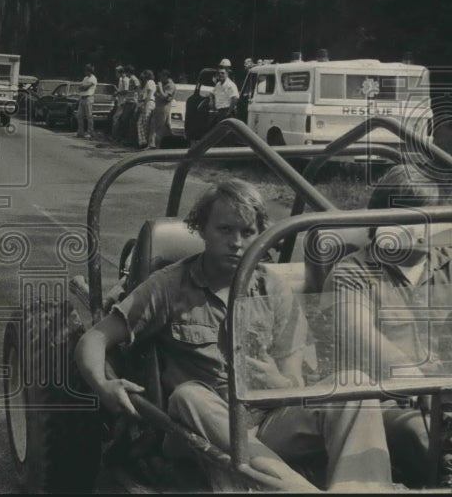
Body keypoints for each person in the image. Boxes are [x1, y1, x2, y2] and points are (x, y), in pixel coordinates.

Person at [75, 179, 393, 492]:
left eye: (247, 232)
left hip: (265, 426)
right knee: (188, 395)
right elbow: (94, 340)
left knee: (356, 384)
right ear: (201, 229)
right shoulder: (168, 287)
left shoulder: (272, 288)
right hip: (194, 430)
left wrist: (278, 384)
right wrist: (104, 385)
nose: (237, 242)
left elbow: (293, 381)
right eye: (225, 230)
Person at [324, 165, 452, 488]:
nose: (424, 229)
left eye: (433, 217)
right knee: (426, 436)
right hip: (388, 406)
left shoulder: (448, 263)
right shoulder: (352, 275)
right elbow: (362, 340)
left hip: (445, 399)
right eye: (412, 218)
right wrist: (426, 386)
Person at [206, 58, 239, 129]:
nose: (221, 75)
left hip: (227, 111)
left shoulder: (230, 84)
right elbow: (211, 93)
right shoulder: (218, 84)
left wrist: (229, 111)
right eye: (219, 73)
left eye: (223, 73)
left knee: (226, 132)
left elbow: (235, 98)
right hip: (219, 111)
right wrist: (211, 100)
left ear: (227, 73)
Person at [149, 69, 176, 149]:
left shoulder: (170, 85)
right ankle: (151, 144)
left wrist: (160, 87)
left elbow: (165, 97)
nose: (160, 79)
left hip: (163, 108)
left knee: (160, 127)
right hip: (157, 106)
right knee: (153, 125)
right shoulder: (164, 84)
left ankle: (157, 146)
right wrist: (159, 93)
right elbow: (155, 94)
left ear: (165, 76)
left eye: (161, 77)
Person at [135, 69, 156, 149]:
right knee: (141, 123)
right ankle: (143, 142)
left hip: (149, 103)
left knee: (144, 123)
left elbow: (149, 95)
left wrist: (145, 106)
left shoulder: (150, 82)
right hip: (146, 103)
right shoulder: (148, 83)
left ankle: (145, 143)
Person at [76, 64, 96, 140]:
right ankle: (80, 132)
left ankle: (90, 132)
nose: (85, 71)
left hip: (88, 98)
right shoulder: (85, 78)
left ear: (89, 70)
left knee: (89, 116)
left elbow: (85, 88)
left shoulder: (93, 78)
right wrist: (82, 87)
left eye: (86, 70)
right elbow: (80, 87)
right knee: (79, 115)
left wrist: (83, 87)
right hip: (82, 98)